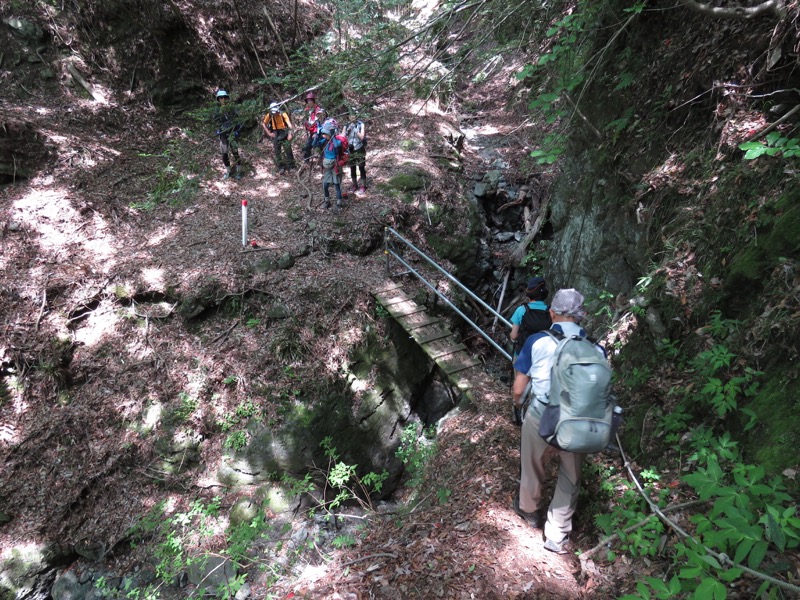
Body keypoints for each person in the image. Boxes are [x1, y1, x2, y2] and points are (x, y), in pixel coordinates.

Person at [512, 288, 603, 554]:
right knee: (570, 477)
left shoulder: (537, 342)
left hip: (542, 415)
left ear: (552, 312)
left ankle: (529, 511)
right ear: (582, 316)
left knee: (532, 464)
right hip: (579, 421)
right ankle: (556, 534)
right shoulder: (596, 348)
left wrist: (519, 406)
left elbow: (519, 389)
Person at [509, 276, 552, 425]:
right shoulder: (550, 311)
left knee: (520, 384)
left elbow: (514, 335)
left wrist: (515, 337)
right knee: (538, 385)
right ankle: (534, 415)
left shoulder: (522, 310)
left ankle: (517, 413)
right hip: (544, 355)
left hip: (522, 354)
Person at [313, 123, 346, 210]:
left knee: (336, 185)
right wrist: (317, 135)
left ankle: (339, 203)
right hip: (327, 167)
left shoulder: (337, 142)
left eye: (326, 134)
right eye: (324, 134)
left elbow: (337, 146)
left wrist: (333, 136)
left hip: (335, 166)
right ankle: (327, 201)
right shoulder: (325, 141)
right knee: (325, 185)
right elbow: (315, 145)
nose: (324, 136)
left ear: (330, 134)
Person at [212, 90, 241, 180]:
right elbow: (215, 122)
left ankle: (238, 171)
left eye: (224, 97)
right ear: (218, 99)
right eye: (221, 98)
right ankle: (228, 171)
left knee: (235, 153)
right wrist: (217, 130)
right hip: (223, 135)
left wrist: (237, 130)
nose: (223, 99)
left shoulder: (232, 109)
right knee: (224, 154)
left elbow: (238, 120)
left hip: (232, 134)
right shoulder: (217, 111)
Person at [262, 102, 295, 174]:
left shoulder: (283, 114)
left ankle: (292, 167)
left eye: (276, 112)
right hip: (275, 133)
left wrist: (290, 133)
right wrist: (269, 133)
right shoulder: (269, 115)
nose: (275, 113)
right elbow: (264, 124)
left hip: (284, 132)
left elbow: (289, 125)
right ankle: (281, 167)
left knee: (288, 150)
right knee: (277, 152)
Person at [345, 117, 367, 195]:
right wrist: (347, 130)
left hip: (359, 148)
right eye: (350, 115)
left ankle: (363, 185)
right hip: (350, 149)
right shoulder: (347, 124)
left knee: (361, 167)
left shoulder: (361, 124)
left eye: (353, 115)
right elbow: (343, 136)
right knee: (352, 168)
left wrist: (355, 129)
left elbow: (362, 137)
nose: (352, 117)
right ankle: (355, 185)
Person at [302, 92, 325, 162]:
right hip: (311, 131)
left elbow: (320, 122)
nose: (309, 102)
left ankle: (322, 160)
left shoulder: (318, 110)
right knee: (309, 146)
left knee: (316, 145)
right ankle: (307, 161)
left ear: (313, 101)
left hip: (318, 132)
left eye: (310, 100)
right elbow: (306, 120)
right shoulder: (307, 110)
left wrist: (316, 132)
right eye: (308, 101)